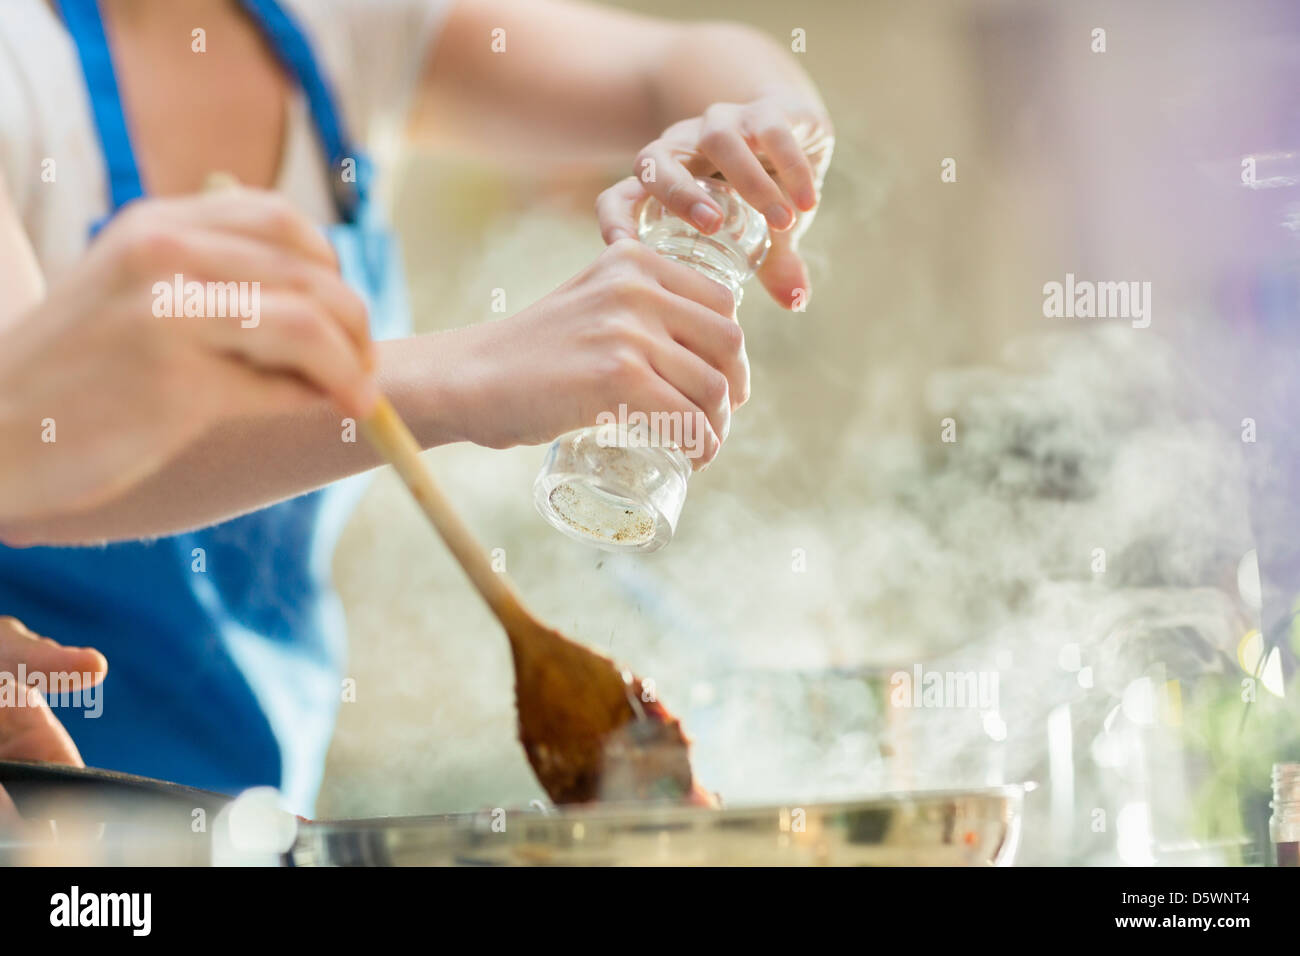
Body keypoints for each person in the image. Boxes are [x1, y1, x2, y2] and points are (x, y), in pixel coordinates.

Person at [0, 0, 832, 814]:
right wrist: (478, 372)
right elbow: (38, 454)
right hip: (45, 800)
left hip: (262, 790)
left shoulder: (340, 29)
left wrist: (772, 127)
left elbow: (670, 65)